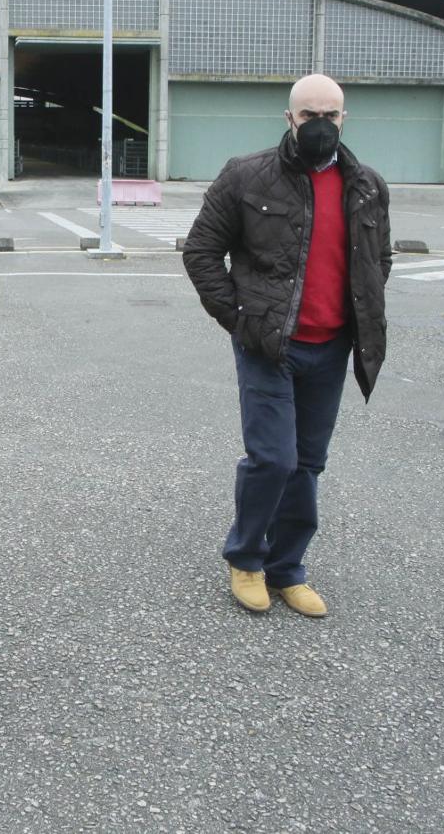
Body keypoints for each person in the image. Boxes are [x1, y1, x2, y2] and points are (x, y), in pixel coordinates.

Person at [182, 73, 391, 619]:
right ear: (289, 118)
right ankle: (247, 558)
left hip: (331, 347)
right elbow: (201, 251)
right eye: (308, 115)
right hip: (269, 344)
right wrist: (240, 319)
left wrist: (360, 314)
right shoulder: (246, 175)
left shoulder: (367, 185)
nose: (320, 125)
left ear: (344, 118)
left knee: (307, 464)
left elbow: (378, 260)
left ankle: (288, 568)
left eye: (330, 115)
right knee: (273, 458)